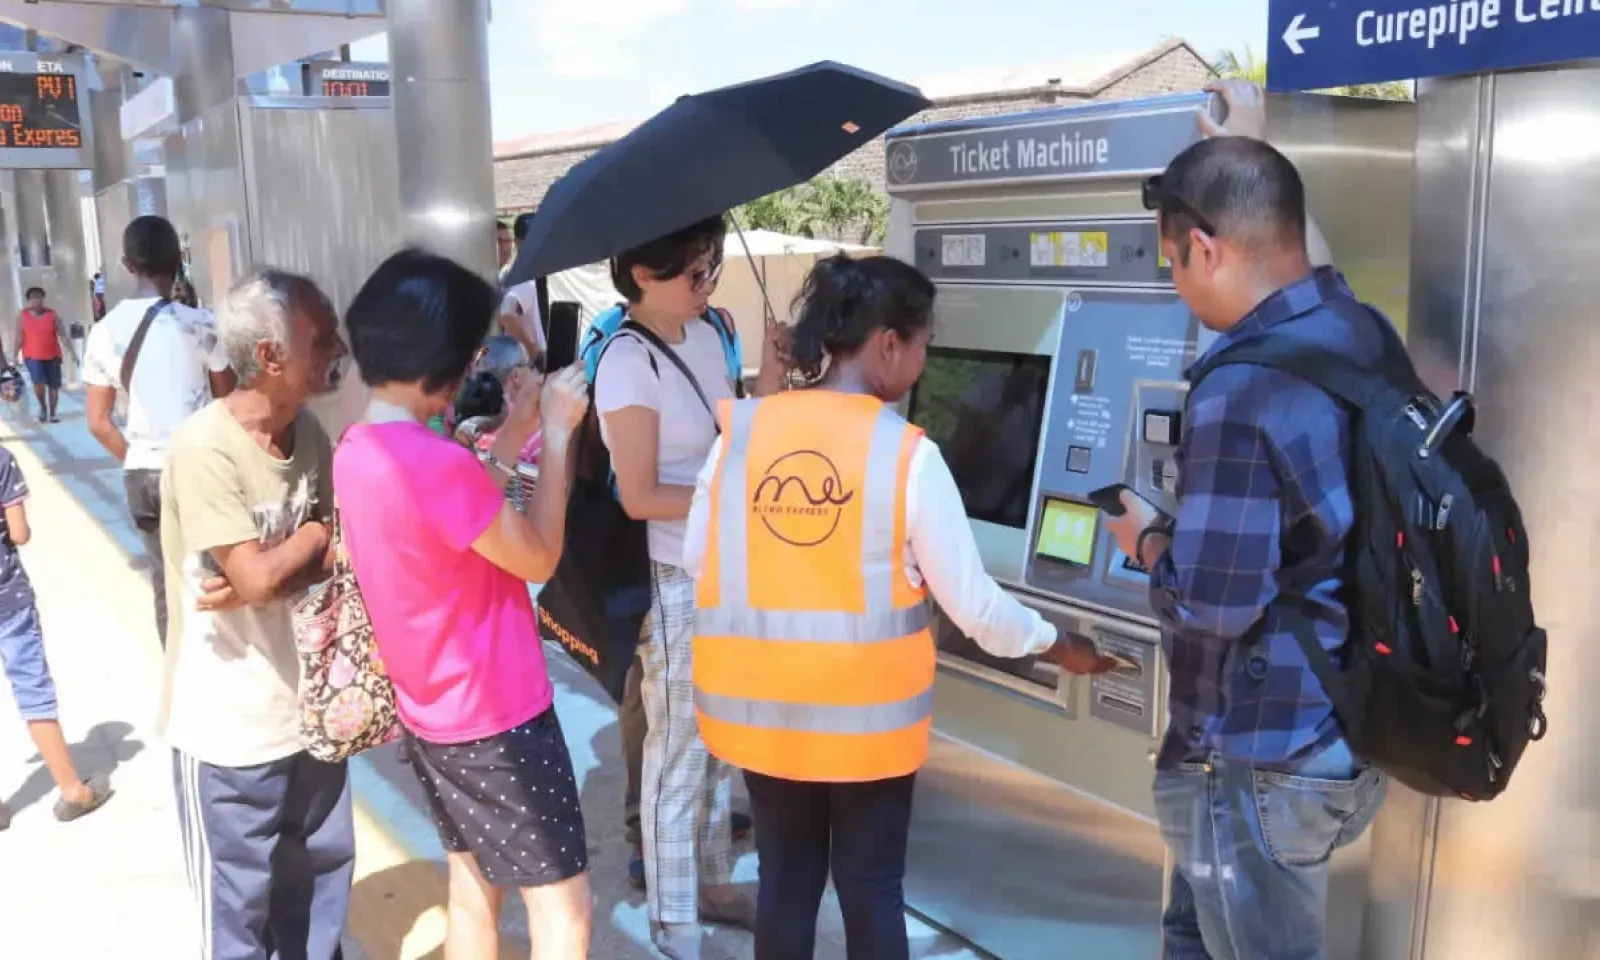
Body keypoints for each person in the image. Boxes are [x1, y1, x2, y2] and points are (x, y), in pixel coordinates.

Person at [683, 255, 1115, 960]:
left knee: (787, 882)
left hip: (756, 711)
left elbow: (700, 557)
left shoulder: (742, 434)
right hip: (866, 726)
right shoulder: (906, 454)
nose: (923, 361)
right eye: (924, 345)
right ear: (888, 342)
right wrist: (1056, 643)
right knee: (870, 887)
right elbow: (973, 607)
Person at [1100, 83, 1390, 959]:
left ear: (1202, 247)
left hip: (1254, 758)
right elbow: (1315, 264)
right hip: (1338, 728)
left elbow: (1213, 604)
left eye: (1175, 267)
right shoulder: (1357, 330)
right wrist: (1256, 147)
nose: (1180, 288)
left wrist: (1146, 543)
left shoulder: (1239, 388)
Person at [334, 249, 594, 959]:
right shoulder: (436, 462)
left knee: (475, 885)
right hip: (500, 717)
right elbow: (536, 553)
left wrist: (516, 427)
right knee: (563, 909)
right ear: (444, 368)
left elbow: (464, 504)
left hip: (433, 714)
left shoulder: (360, 447)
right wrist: (562, 435)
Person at [592, 213, 787, 959]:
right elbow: (638, 494)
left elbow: (736, 437)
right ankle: (674, 925)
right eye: (693, 273)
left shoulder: (706, 336)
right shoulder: (625, 361)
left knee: (719, 739)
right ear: (643, 274)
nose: (706, 284)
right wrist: (734, 498)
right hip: (672, 575)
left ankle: (710, 882)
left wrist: (767, 374)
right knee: (678, 755)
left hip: (723, 563)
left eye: (711, 267)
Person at [157, 270, 352, 957]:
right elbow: (265, 574)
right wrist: (310, 541)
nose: (338, 346)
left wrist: (288, 560)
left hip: (310, 714)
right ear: (270, 355)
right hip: (228, 733)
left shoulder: (311, 434)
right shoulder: (203, 447)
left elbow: (337, 546)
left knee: (319, 891)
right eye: (322, 336)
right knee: (239, 914)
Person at [84, 215, 235, 647]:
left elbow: (98, 421)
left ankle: (176, 679)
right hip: (201, 469)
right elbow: (227, 403)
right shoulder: (201, 323)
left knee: (166, 581)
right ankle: (218, 670)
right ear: (177, 259)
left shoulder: (103, 331)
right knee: (215, 576)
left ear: (127, 265)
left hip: (142, 474)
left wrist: (139, 457)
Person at [0, 444, 113, 830]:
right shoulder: (1, 459)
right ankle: (72, 790)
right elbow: (18, 533)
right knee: (33, 690)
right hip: (8, 601)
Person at [15, 287, 75, 423]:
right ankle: (43, 407)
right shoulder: (22, 316)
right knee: (38, 382)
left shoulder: (52, 315)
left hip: (53, 355)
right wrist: (14, 355)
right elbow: (18, 337)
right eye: (33, 298)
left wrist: (72, 352)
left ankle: (53, 413)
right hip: (32, 356)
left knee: (54, 386)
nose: (37, 300)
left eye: (39, 297)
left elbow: (63, 334)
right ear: (29, 301)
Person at [498, 211, 548, 366]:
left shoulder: (511, 273)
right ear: (518, 242)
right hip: (528, 367)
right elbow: (506, 313)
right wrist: (534, 351)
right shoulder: (524, 278)